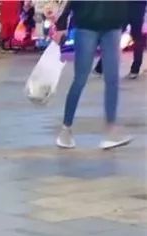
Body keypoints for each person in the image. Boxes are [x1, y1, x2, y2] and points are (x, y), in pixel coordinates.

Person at [55, 0, 131, 149]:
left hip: (111, 25)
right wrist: (62, 22)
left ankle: (110, 129)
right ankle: (66, 128)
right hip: (88, 25)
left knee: (112, 79)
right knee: (81, 79)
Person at [94, 1, 146, 78]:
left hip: (125, 7)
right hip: (138, 6)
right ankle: (135, 69)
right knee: (137, 38)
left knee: (114, 36)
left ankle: (100, 67)